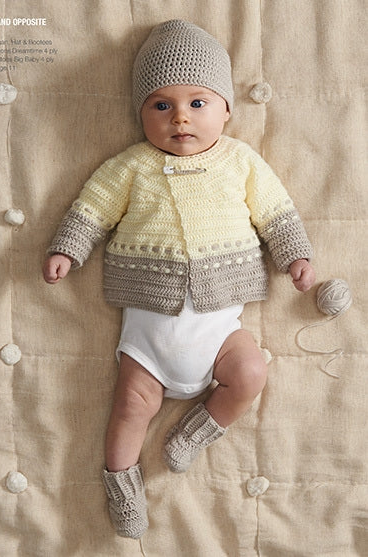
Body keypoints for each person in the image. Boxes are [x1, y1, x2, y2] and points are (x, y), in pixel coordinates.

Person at [42, 19, 315, 539]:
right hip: (148, 337)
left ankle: (196, 430)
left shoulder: (241, 162)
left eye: (197, 103)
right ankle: (122, 484)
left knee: (251, 375)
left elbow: (276, 213)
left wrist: (294, 256)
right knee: (129, 408)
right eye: (161, 105)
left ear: (227, 109)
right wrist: (67, 249)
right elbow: (92, 209)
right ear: (141, 113)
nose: (180, 119)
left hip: (219, 332)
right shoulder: (131, 166)